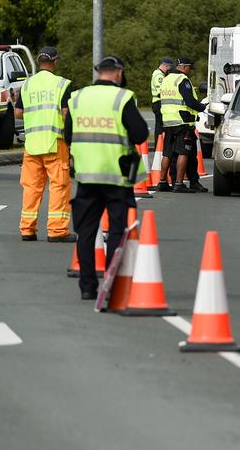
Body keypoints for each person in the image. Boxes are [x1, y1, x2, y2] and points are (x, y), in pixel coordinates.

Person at [64, 55, 149, 300]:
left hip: (87, 177)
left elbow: (68, 135)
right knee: (116, 232)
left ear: (99, 72)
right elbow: (140, 134)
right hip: (116, 178)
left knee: (86, 233)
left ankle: (87, 287)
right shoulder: (122, 98)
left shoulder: (78, 97)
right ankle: (112, 286)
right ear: (119, 73)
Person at [15, 46, 74, 242]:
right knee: (59, 185)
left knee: (31, 187)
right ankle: (57, 231)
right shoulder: (61, 84)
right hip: (54, 143)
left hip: (32, 145)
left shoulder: (27, 85)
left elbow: (18, 113)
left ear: (39, 62)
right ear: (55, 62)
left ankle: (27, 230)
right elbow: (66, 113)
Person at [157, 57, 208, 193]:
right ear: (184, 67)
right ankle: (179, 183)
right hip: (182, 121)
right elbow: (190, 101)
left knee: (167, 153)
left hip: (168, 121)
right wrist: (203, 107)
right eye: (190, 68)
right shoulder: (182, 80)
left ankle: (162, 181)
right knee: (183, 152)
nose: (190, 71)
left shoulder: (166, 79)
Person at [150, 58, 173, 138]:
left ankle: (159, 146)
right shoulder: (159, 75)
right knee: (160, 127)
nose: (169, 71)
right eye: (169, 68)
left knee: (160, 125)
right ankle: (159, 146)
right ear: (166, 66)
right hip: (159, 102)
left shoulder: (157, 73)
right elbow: (161, 92)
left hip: (157, 102)